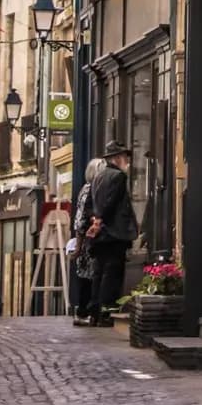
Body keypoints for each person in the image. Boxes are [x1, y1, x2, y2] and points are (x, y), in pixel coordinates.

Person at [85, 140, 139, 328]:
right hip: (113, 233)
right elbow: (111, 202)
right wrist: (100, 220)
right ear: (117, 158)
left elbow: (90, 204)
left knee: (98, 273)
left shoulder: (97, 176)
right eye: (125, 158)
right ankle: (106, 312)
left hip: (100, 235)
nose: (127, 162)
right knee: (112, 274)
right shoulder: (118, 176)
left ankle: (94, 313)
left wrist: (95, 220)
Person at [69, 157, 106, 326]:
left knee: (90, 277)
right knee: (87, 278)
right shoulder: (89, 190)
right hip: (88, 242)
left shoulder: (92, 189)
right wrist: (78, 246)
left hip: (90, 241)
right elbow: (80, 220)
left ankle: (87, 312)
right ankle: (83, 312)